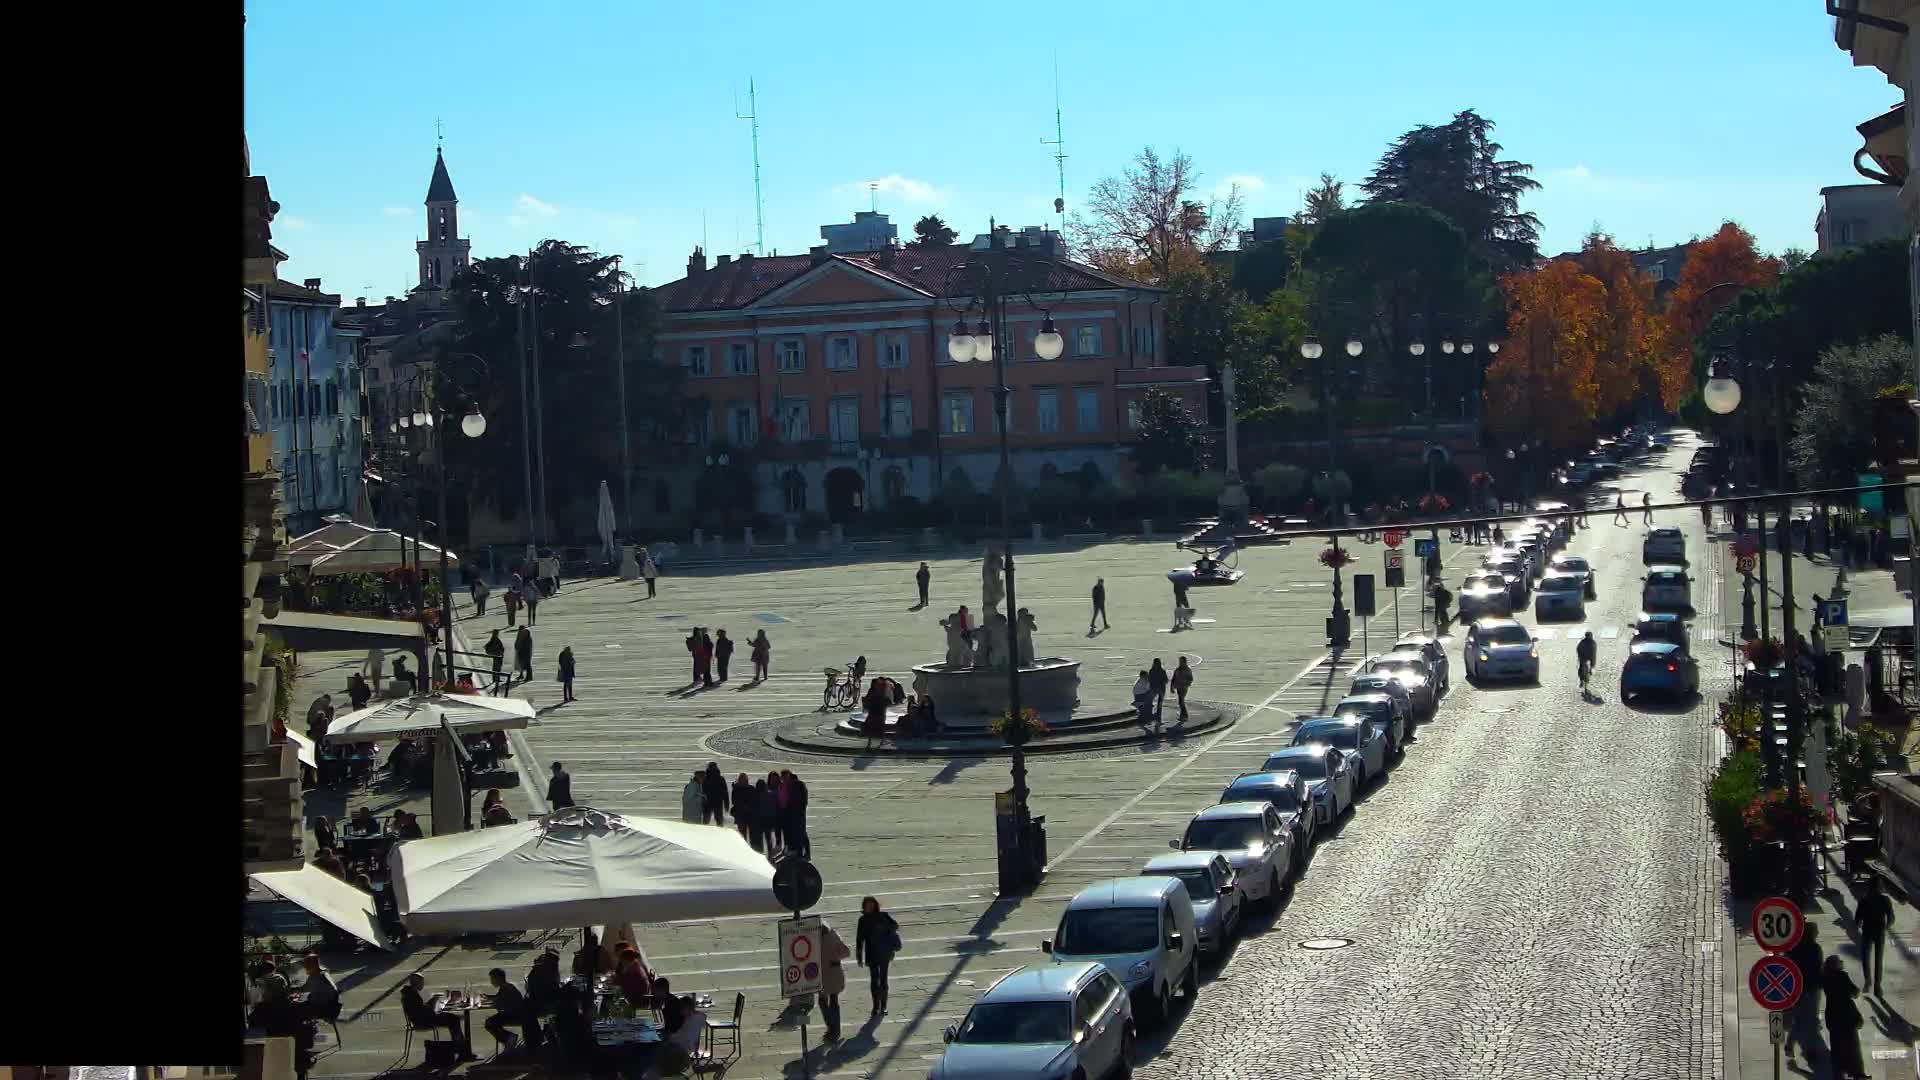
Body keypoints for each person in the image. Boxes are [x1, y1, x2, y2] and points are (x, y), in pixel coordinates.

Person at [401, 972, 475, 1061]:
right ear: (417, 983)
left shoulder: (409, 993)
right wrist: (434, 1000)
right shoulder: (411, 995)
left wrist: (433, 1002)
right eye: (422, 982)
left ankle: (461, 1050)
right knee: (453, 1020)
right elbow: (427, 1012)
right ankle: (462, 1051)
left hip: (422, 1019)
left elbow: (422, 1009)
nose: (423, 984)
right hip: (423, 1021)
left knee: (452, 1018)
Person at [1784, 924, 1825, 1068]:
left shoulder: (1794, 948)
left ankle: (1790, 1044)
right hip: (1811, 988)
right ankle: (1811, 1052)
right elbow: (1818, 969)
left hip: (1797, 989)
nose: (1818, 933)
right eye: (1816, 931)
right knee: (1810, 1020)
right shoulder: (1815, 948)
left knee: (1800, 1019)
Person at [1822, 954, 1866, 1079]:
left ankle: (1839, 1073)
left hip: (1833, 1016)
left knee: (1837, 1047)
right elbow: (1854, 992)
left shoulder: (1825, 978)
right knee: (1853, 1046)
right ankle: (1858, 1073)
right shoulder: (1841, 976)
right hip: (1847, 1015)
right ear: (1835, 965)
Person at [856, 897, 900, 1018]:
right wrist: (859, 956)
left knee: (883, 979)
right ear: (864, 907)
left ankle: (884, 1006)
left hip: (884, 952)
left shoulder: (883, 916)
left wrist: (885, 926)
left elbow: (895, 925)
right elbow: (859, 939)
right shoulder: (862, 920)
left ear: (875, 906)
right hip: (871, 953)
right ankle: (876, 1006)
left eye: (871, 905)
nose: (869, 907)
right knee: (874, 980)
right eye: (867, 905)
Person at [483, 966, 539, 1053]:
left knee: (489, 1023)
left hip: (515, 1015)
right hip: (515, 1013)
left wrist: (491, 1001)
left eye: (492, 979)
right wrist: (489, 997)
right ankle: (507, 1039)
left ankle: (508, 1038)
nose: (491, 982)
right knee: (492, 1021)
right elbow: (499, 998)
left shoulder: (507, 988)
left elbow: (500, 1002)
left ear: (498, 979)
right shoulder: (506, 986)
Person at [1856, 876, 1894, 993]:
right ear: (1880, 887)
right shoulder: (1885, 900)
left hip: (1867, 931)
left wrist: (1859, 924)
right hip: (1879, 932)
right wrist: (1886, 927)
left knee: (1865, 957)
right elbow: (1891, 917)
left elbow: (1857, 919)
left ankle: (1868, 981)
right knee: (1878, 959)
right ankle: (1877, 985)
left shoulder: (1863, 900)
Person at [818, 920, 851, 1043]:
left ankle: (832, 1028)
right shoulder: (833, 935)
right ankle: (834, 1030)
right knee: (833, 1001)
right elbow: (845, 952)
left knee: (823, 1001)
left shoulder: (815, 940)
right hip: (834, 972)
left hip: (822, 974)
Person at [784, 769, 811, 858]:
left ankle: (802, 852)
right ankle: (803, 852)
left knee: (800, 833)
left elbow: (800, 799)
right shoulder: (793, 784)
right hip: (797, 812)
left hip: (798, 812)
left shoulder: (796, 785)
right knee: (800, 832)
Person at [754, 776, 781, 856]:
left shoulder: (755, 796)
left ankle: (760, 853)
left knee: (759, 838)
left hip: (759, 820)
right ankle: (770, 853)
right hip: (768, 819)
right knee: (768, 837)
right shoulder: (770, 795)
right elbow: (774, 807)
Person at [863, 676, 892, 748]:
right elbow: (888, 701)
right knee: (876, 726)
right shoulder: (880, 691)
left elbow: (868, 699)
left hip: (877, 711)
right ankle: (875, 741)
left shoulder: (877, 691)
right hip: (877, 711)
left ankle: (873, 742)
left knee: (876, 726)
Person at [702, 762, 729, 826]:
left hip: (708, 802)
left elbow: (702, 791)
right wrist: (726, 804)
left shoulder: (705, 779)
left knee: (706, 821)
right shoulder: (721, 779)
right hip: (717, 802)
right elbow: (725, 792)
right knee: (719, 822)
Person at [731, 772, 756, 842]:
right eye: (742, 779)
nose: (743, 781)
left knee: (750, 835)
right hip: (741, 814)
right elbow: (734, 801)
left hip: (749, 814)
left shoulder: (750, 788)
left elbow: (754, 801)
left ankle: (751, 846)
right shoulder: (737, 789)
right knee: (743, 835)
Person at [1170, 656, 1194, 722]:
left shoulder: (1187, 670)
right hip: (1178, 687)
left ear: (1184, 662)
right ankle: (1182, 715)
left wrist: (1186, 684)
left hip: (1183, 688)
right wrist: (1172, 687)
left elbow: (1191, 679)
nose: (1180, 662)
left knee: (1181, 701)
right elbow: (1173, 678)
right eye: (1179, 661)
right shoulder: (1178, 669)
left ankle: (1185, 716)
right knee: (1181, 701)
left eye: (1181, 661)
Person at [1147, 659, 1169, 726]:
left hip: (1153, 689)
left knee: (1149, 704)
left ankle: (1149, 719)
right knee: (1159, 705)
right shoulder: (1162, 671)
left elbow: (1149, 680)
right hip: (1161, 689)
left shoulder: (1151, 671)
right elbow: (1166, 680)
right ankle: (1158, 721)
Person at [485, 630, 507, 694]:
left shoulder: (493, 638)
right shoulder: (496, 640)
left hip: (495, 655)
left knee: (495, 667)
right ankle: (497, 678)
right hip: (498, 655)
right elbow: (498, 647)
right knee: (497, 667)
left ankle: (495, 678)